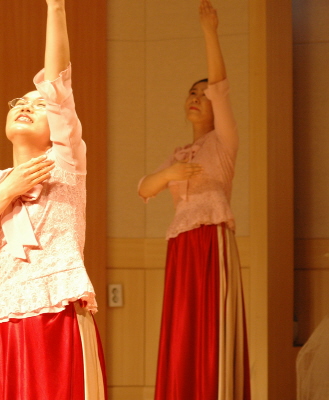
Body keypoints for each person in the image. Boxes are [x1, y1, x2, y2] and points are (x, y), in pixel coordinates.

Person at [0, 1, 107, 399]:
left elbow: (58, 85)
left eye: (37, 105)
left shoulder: (65, 161)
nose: (25, 106)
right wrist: (8, 189)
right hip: (9, 318)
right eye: (19, 102)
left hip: (60, 313)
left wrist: (56, 8)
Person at [138, 1, 251, 399]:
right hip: (181, 245)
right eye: (191, 92)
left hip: (211, 241)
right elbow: (145, 188)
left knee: (211, 322)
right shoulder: (179, 155)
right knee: (183, 325)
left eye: (203, 94)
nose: (197, 97)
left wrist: (209, 32)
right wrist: (169, 174)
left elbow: (220, 86)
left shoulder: (224, 141)